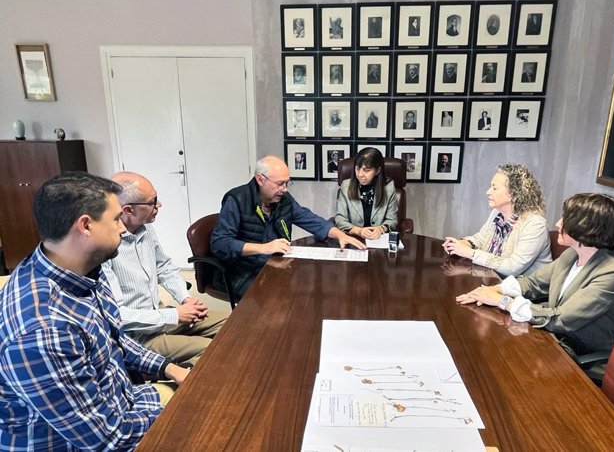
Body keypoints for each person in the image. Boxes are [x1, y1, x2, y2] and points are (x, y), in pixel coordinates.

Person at [0, 171, 190, 450]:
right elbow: (106, 439)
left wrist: (168, 367)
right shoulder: (44, 330)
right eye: (115, 220)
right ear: (86, 226)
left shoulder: (80, 268)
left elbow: (115, 338)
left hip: (123, 403)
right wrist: (180, 414)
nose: (123, 229)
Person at [457, 193, 614, 357]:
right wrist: (495, 289)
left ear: (587, 227)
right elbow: (534, 283)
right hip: (554, 338)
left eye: (566, 218)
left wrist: (503, 301)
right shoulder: (572, 255)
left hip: (578, 351)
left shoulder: (613, 274)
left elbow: (561, 319)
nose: (558, 223)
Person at [102, 172, 229, 367]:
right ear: (128, 209)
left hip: (161, 316)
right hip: (138, 336)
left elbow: (164, 267)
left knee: (232, 325)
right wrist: (175, 315)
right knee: (212, 350)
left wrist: (185, 299)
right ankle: (176, 385)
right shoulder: (105, 248)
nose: (158, 205)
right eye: (152, 202)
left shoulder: (145, 229)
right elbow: (118, 315)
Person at [210, 156, 365, 302]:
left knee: (310, 288)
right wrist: (264, 248)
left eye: (287, 183)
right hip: (241, 272)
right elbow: (220, 243)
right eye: (279, 184)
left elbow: (308, 218)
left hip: (274, 264)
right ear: (260, 179)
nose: (284, 189)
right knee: (285, 297)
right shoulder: (236, 200)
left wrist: (339, 234)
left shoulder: (283, 199)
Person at [443, 164, 551, 277]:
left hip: (524, 291)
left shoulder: (535, 224)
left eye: (494, 188)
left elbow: (512, 268)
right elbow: (481, 239)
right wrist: (464, 243)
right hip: (496, 282)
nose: (488, 192)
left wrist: (470, 253)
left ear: (513, 195)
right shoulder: (497, 214)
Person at [335, 147, 398, 240]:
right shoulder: (346, 186)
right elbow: (340, 219)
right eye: (357, 169)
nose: (360, 174)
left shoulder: (388, 188)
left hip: (378, 240)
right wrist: (358, 230)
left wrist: (380, 229)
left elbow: (392, 220)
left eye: (367, 170)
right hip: (353, 239)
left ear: (377, 171)